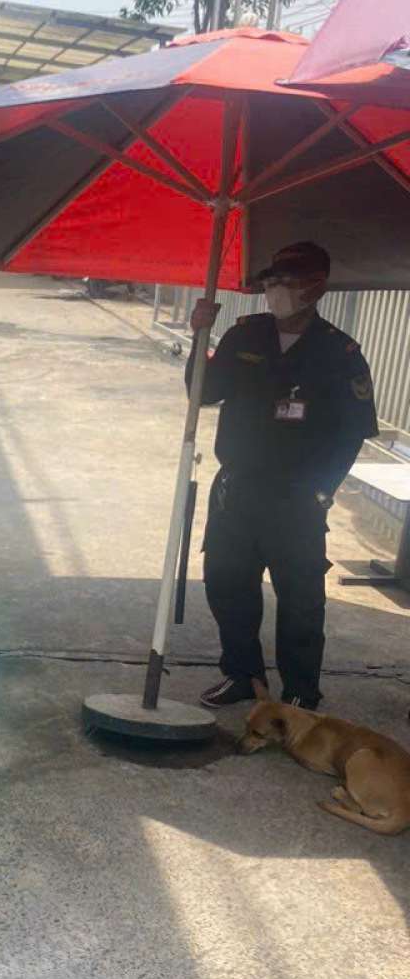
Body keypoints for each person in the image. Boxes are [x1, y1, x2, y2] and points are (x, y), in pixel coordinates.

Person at [188, 241, 378, 710]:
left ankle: (299, 692)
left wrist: (322, 492)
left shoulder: (339, 352)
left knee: (300, 598)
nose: (276, 290)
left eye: (288, 281)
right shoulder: (245, 335)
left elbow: (352, 432)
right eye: (272, 281)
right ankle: (243, 676)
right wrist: (198, 335)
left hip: (297, 497)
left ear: (316, 287)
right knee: (227, 584)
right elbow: (203, 392)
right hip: (238, 488)